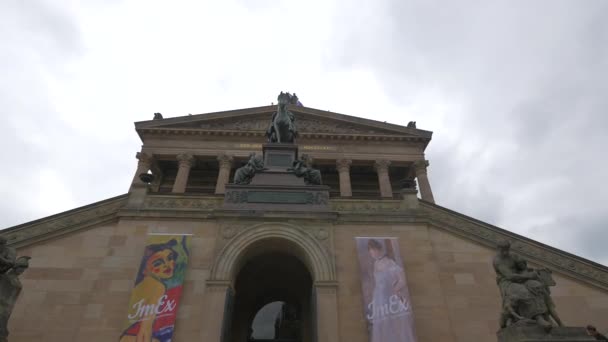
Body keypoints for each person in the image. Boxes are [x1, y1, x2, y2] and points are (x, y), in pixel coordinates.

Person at [120, 239, 179, 342]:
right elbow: (145, 329)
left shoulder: (143, 284)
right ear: (144, 269)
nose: (167, 265)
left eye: (170, 258)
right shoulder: (157, 287)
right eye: (157, 263)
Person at [366, 239, 416, 342]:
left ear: (378, 249)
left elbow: (402, 279)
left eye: (373, 250)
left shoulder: (389, 263)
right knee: (382, 326)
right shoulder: (376, 264)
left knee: (394, 325)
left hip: (389, 298)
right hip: (379, 299)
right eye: (370, 251)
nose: (372, 253)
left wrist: (395, 289)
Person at [0, 256, 30, 342]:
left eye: (23, 269)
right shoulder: (5, 276)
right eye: (21, 268)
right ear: (16, 267)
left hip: (7, 307)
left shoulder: (15, 279)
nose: (22, 271)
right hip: (2, 304)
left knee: (3, 328)